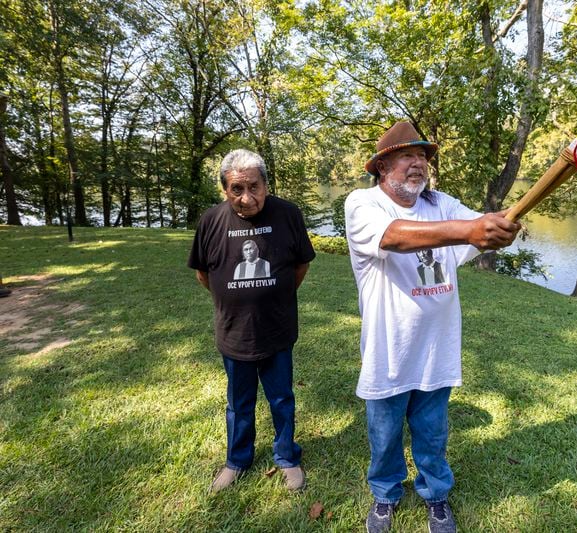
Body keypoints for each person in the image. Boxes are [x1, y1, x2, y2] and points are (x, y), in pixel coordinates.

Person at [344, 121, 521, 533]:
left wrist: (498, 230)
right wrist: (472, 231)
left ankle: (435, 496)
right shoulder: (363, 203)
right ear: (382, 166)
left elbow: (482, 227)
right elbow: (394, 238)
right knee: (385, 435)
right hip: (389, 349)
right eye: (407, 155)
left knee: (432, 433)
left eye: (422, 156)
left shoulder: (441, 203)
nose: (418, 163)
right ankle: (385, 495)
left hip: (436, 349)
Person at [188, 148, 316, 494]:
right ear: (225, 190)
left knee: (281, 399)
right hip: (234, 333)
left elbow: (300, 265)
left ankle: (287, 457)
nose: (247, 198)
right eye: (236, 190)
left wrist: (275, 295)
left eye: (254, 187)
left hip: (277, 329)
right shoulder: (212, 221)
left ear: (266, 184)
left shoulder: (287, 214)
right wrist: (233, 300)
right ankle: (236, 461)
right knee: (239, 403)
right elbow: (203, 273)